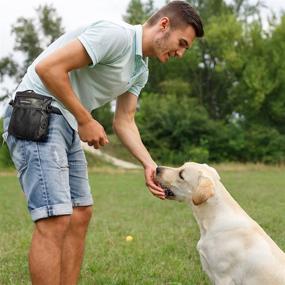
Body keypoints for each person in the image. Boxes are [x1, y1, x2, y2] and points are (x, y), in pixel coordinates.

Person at [2, 1, 204, 284]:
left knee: (81, 213)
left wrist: (149, 164)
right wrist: (86, 119)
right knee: (55, 218)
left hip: (66, 120)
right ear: (164, 25)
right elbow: (49, 69)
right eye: (182, 43)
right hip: (36, 110)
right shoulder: (116, 36)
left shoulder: (139, 70)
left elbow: (124, 121)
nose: (181, 53)